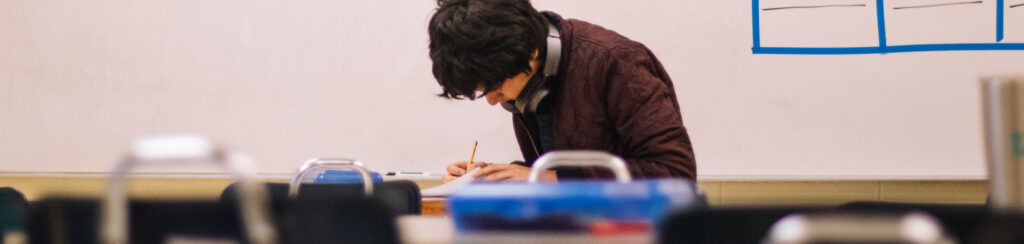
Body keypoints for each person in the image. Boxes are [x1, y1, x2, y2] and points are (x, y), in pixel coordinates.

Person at [428, 0, 696, 183]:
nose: (491, 100)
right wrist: (497, 177)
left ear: (530, 53)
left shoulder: (616, 61)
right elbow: (566, 167)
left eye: (495, 87)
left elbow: (675, 172)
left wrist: (547, 179)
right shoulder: (533, 79)